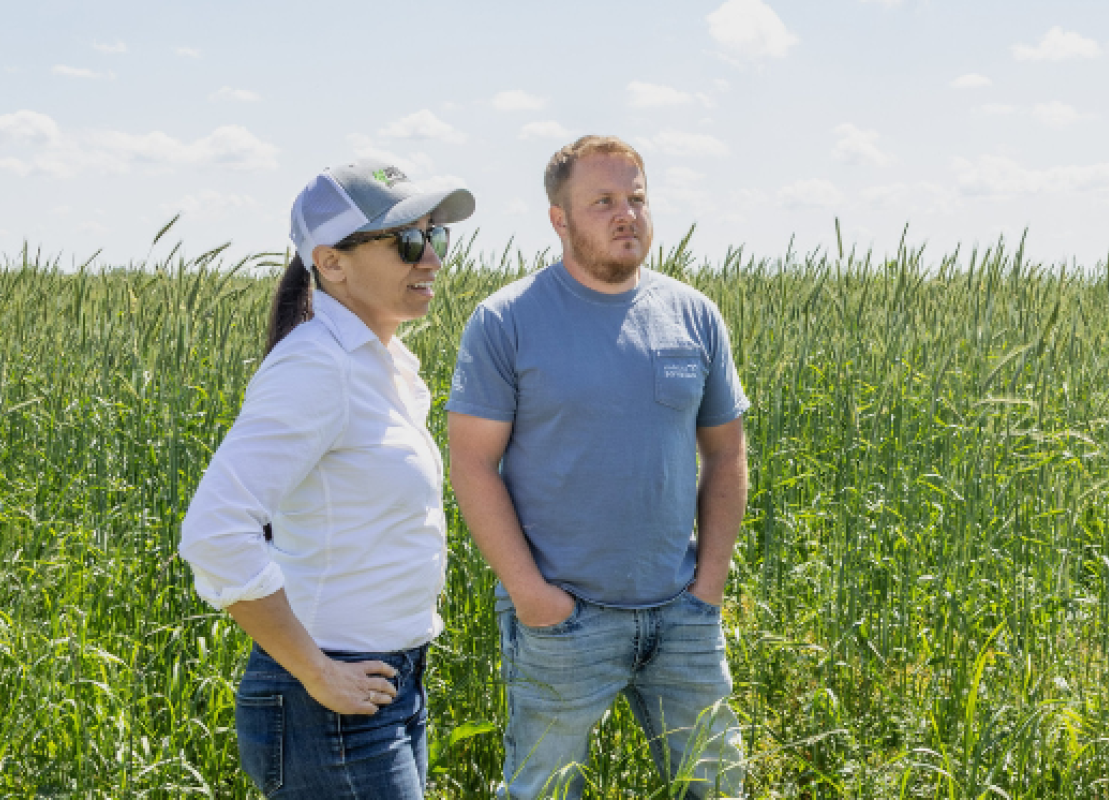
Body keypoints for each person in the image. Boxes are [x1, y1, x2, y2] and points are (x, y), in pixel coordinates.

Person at [447, 135, 749, 799]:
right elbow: (470, 463)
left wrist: (709, 587)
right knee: (544, 791)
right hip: (565, 616)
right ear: (560, 218)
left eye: (637, 199)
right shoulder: (506, 321)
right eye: (603, 201)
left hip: (682, 612)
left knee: (718, 787)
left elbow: (726, 452)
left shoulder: (693, 315)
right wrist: (533, 596)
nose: (627, 215)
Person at [178, 158, 474, 798]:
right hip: (330, 707)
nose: (431, 259)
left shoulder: (382, 362)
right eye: (408, 241)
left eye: (437, 236)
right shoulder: (318, 366)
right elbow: (214, 532)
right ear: (331, 262)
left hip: (385, 687)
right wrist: (315, 671)